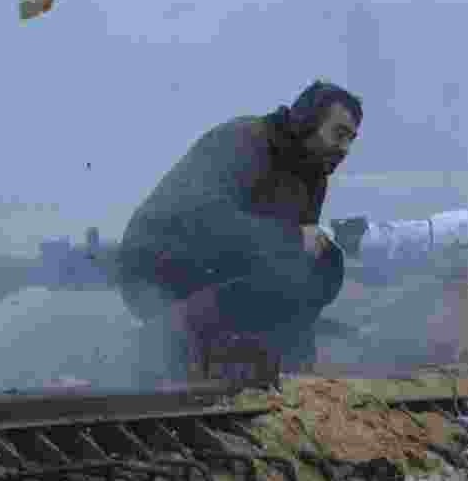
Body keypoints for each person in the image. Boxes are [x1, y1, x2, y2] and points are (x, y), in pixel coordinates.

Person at [117, 79, 363, 379]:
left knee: (324, 262)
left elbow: (295, 269)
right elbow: (202, 222)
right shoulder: (243, 141)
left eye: (352, 139)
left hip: (220, 265)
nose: (345, 149)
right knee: (292, 254)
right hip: (155, 265)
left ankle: (266, 362)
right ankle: (164, 340)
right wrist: (290, 238)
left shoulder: (314, 173)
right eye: (339, 134)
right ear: (306, 122)